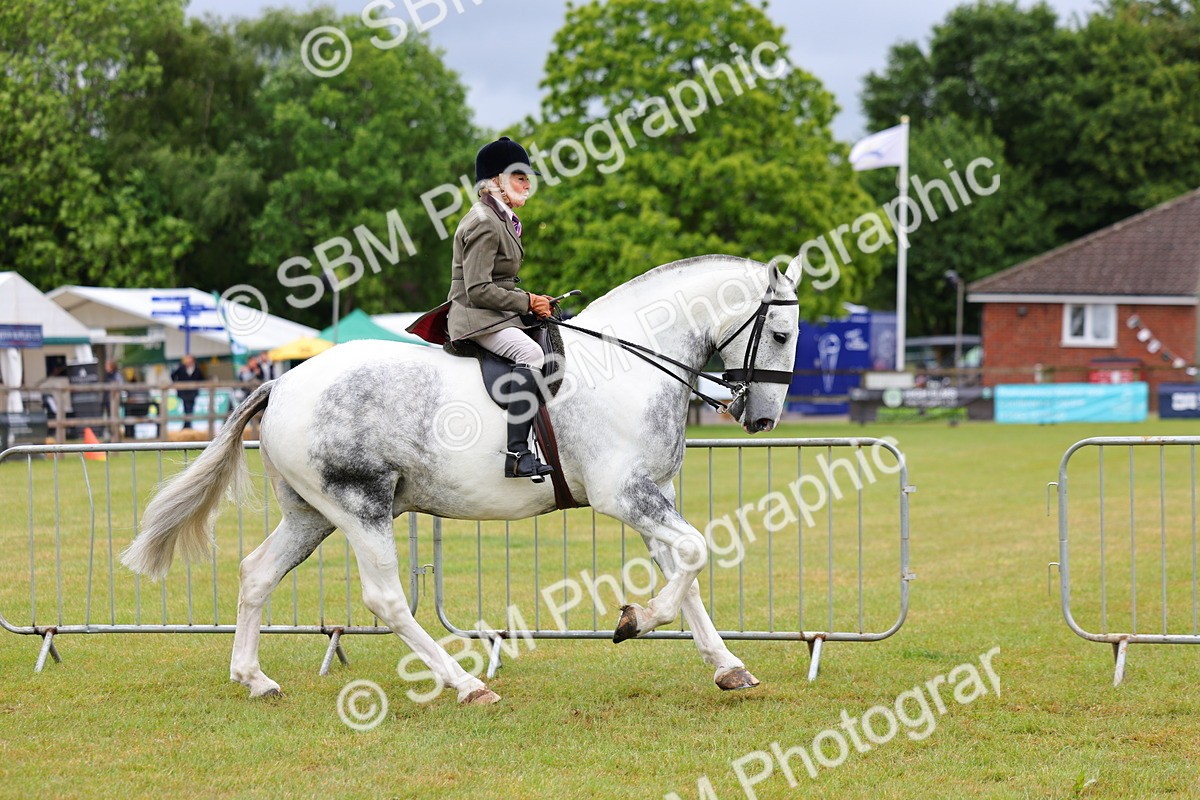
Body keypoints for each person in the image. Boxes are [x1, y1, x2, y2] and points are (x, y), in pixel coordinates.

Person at [447, 136, 557, 479]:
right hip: (476, 318)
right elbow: (478, 289)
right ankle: (517, 453)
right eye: (520, 177)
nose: (528, 184)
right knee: (532, 355)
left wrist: (534, 301)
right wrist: (527, 301)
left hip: (495, 314)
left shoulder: (500, 218)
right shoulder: (484, 221)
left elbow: (500, 283)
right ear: (497, 181)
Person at [170, 354, 205, 429]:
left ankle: (187, 424)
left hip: (193, 392)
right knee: (186, 408)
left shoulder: (197, 369)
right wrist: (177, 384)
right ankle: (187, 424)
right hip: (184, 392)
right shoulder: (181, 368)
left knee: (190, 408)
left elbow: (202, 378)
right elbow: (173, 375)